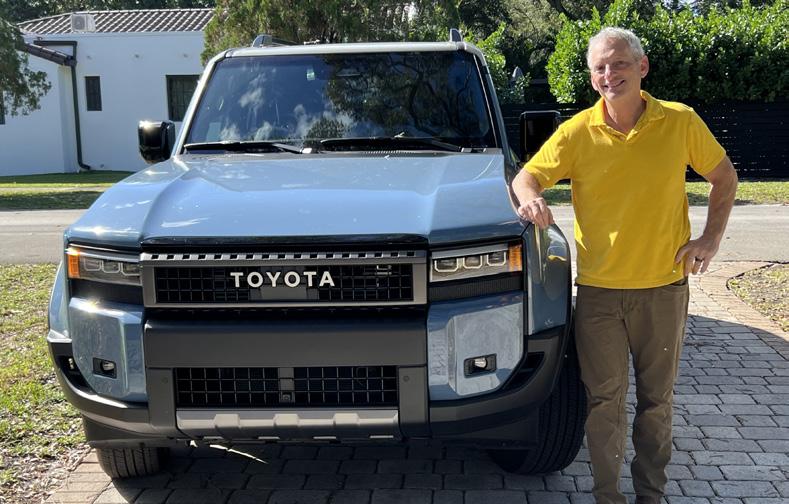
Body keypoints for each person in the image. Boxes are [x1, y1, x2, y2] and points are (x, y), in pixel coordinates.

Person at [512, 27, 738, 504]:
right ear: (591, 76)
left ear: (642, 67)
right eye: (599, 67)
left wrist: (710, 240)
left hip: (663, 290)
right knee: (604, 403)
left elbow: (723, 176)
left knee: (656, 403)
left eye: (618, 63)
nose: (609, 74)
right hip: (599, 295)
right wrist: (531, 199)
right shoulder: (577, 131)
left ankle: (650, 495)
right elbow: (526, 176)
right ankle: (608, 496)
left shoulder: (680, 121)